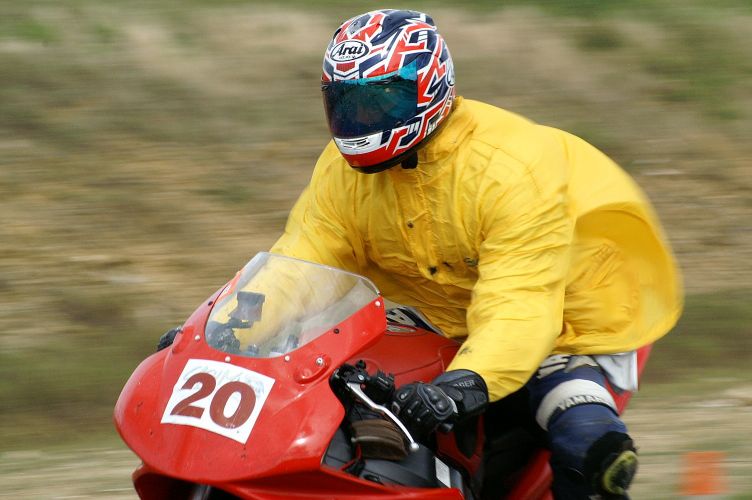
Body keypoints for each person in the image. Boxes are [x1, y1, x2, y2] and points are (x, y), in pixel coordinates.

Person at [270, 9, 683, 499]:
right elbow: (301, 263)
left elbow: (521, 305)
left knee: (589, 445)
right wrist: (233, 333)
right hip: (449, 314)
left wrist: (464, 383)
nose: (361, 120)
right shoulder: (338, 172)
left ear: (429, 88)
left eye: (381, 101)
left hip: (572, 317)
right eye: (347, 103)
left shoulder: (510, 170)